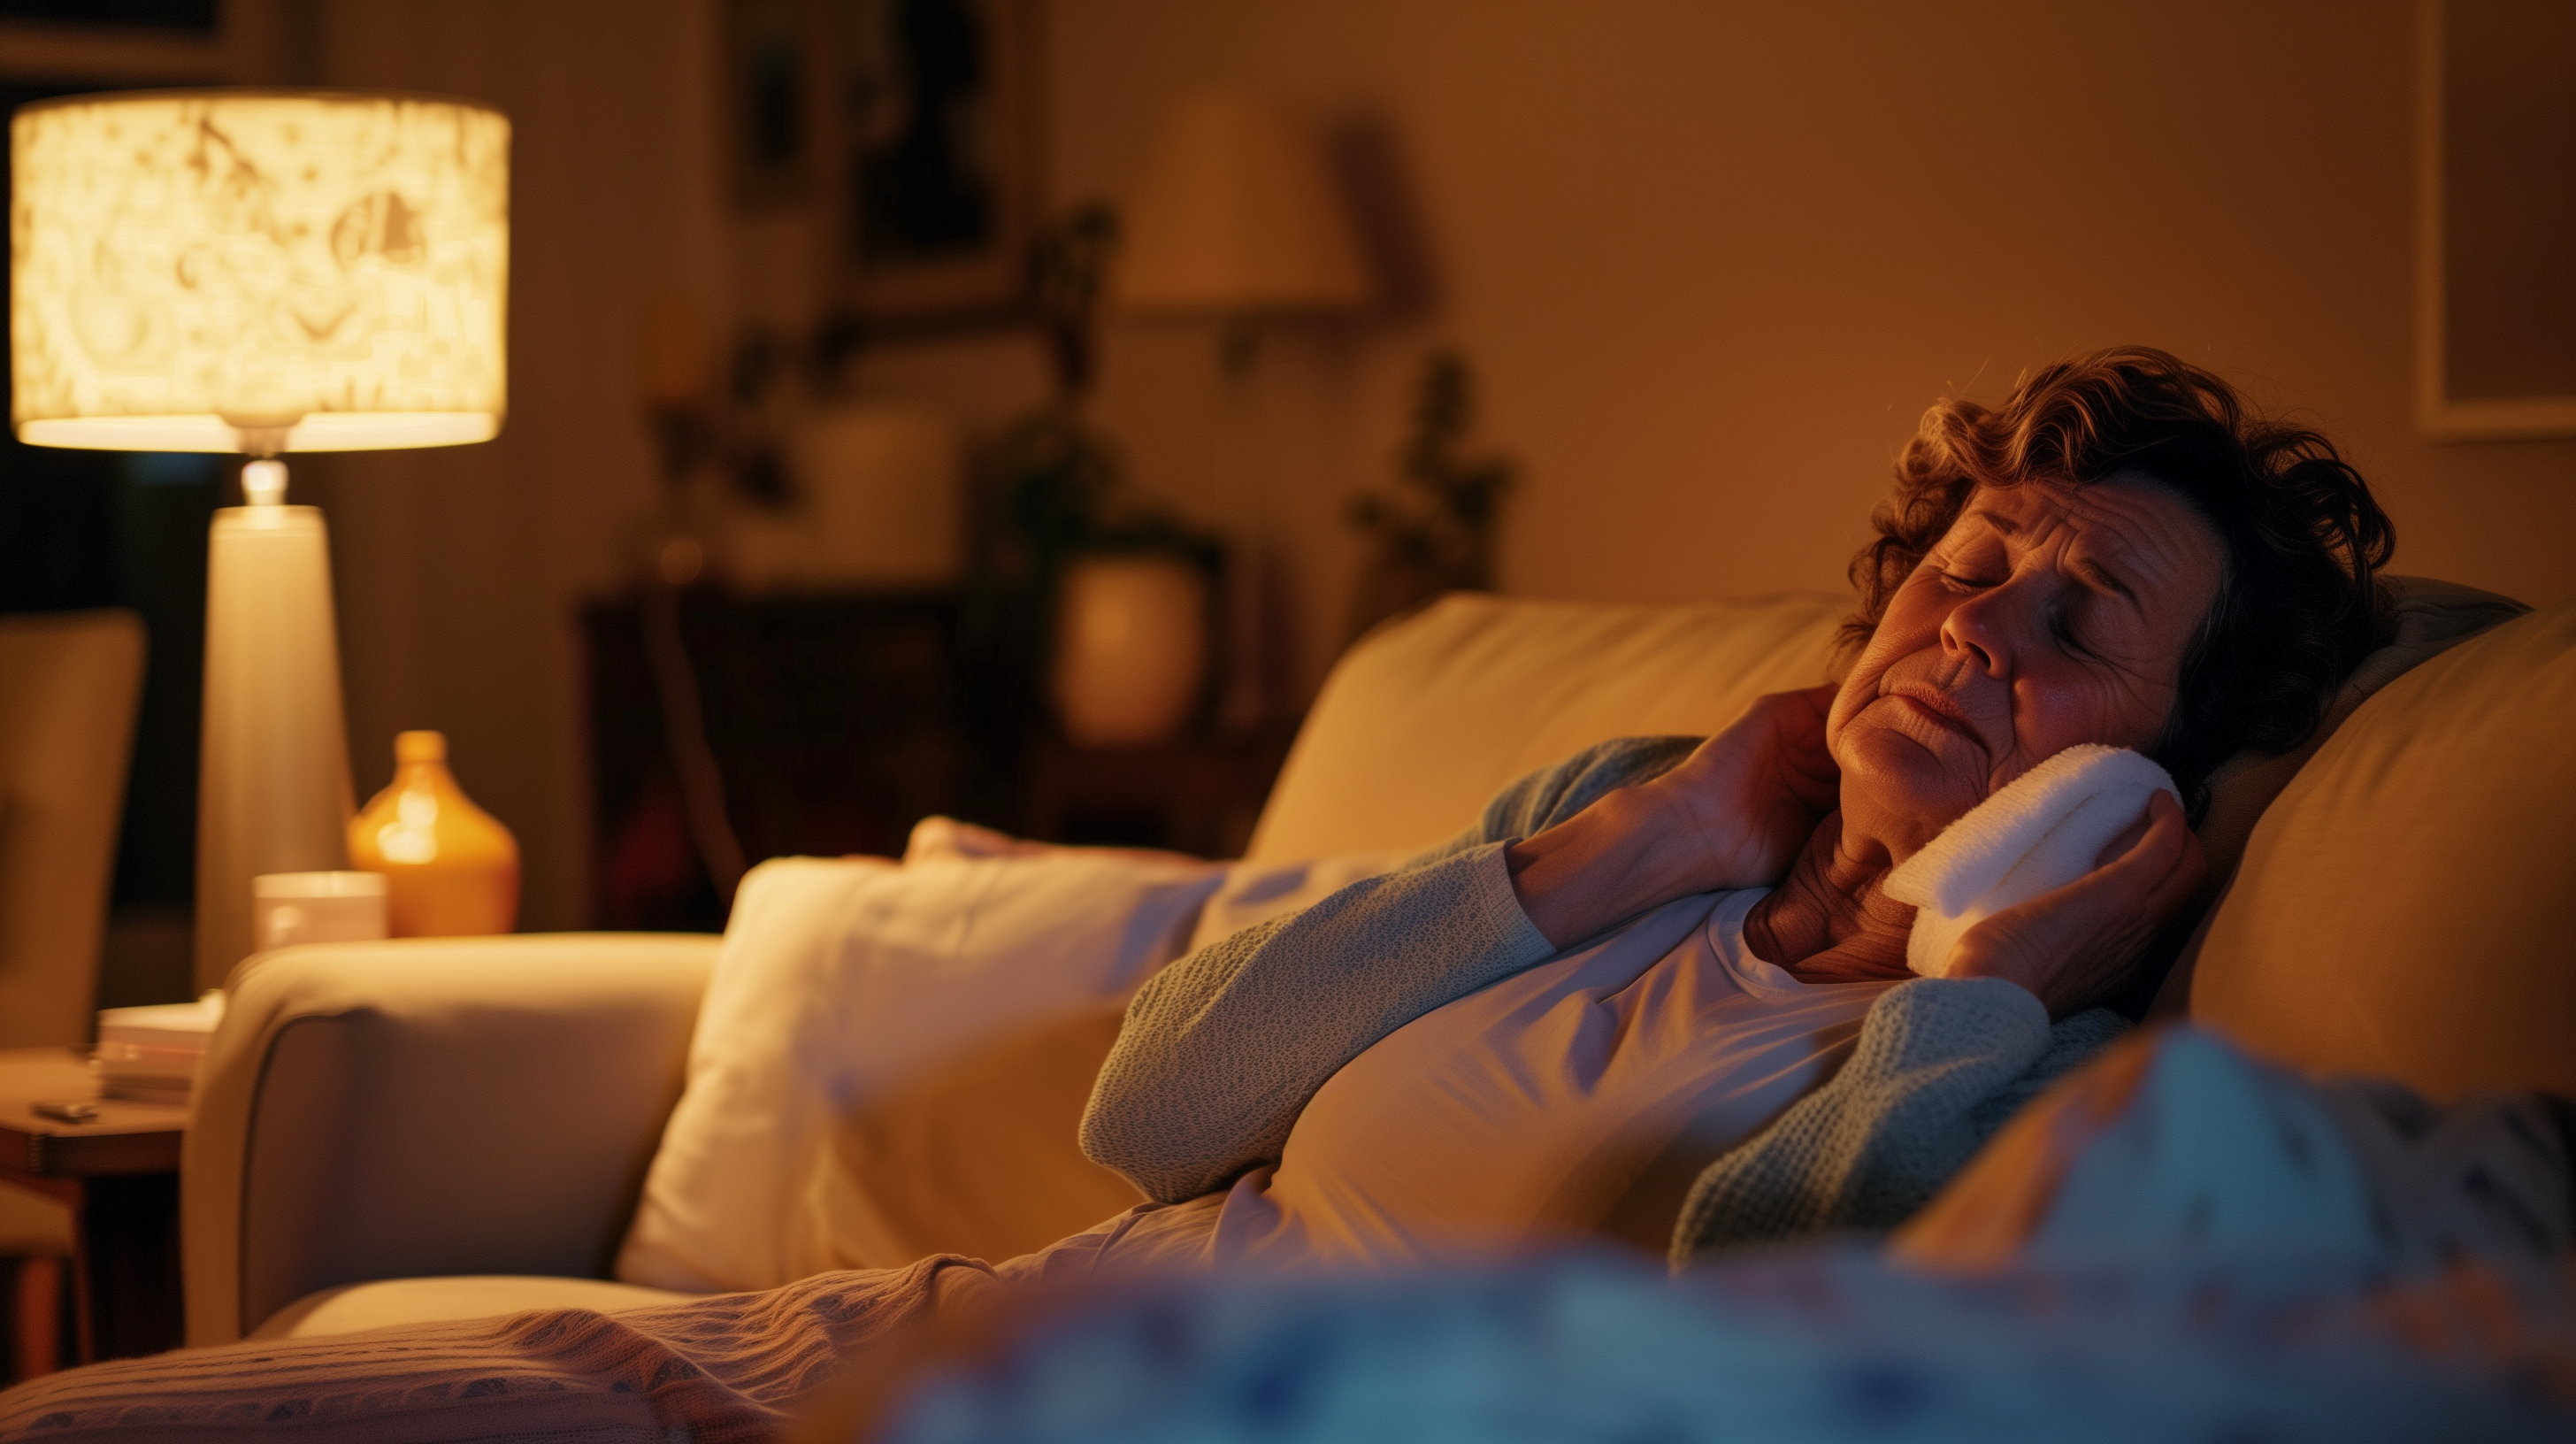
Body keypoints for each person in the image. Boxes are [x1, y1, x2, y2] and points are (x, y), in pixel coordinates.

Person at [0, 347, 2396, 1440]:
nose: (1979, 629)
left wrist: (1972, 979)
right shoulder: (1632, 830)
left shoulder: (2027, 1071)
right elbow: (1162, 1106)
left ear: (2161, 773)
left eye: (2079, 622)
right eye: (1968, 570)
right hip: (913, 1337)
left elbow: (1764, 1348)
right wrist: (1647, 835)